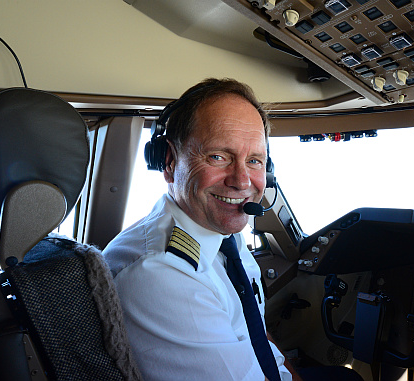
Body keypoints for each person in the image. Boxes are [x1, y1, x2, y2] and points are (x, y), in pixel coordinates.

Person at [103, 78, 295, 380]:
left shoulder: (220, 233)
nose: (242, 181)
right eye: (218, 156)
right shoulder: (162, 274)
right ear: (168, 161)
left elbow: (252, 336)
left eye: (255, 160)